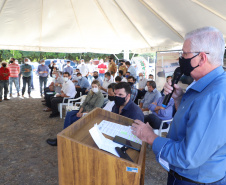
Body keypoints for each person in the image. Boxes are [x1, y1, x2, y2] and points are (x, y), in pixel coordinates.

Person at [131, 27, 226, 184]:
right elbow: (193, 122)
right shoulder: (205, 86)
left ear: (202, 58)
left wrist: (151, 137)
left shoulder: (215, 97)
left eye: (185, 54)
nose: (181, 58)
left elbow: (188, 157)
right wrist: (178, 100)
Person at [46, 80, 104, 146]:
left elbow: (95, 109)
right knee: (69, 114)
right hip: (82, 110)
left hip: (89, 113)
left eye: (95, 87)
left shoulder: (100, 97)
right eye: (92, 86)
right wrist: (79, 112)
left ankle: (61, 139)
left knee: (72, 119)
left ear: (99, 87)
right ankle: (64, 136)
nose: (94, 88)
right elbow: (84, 103)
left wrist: (82, 113)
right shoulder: (90, 93)